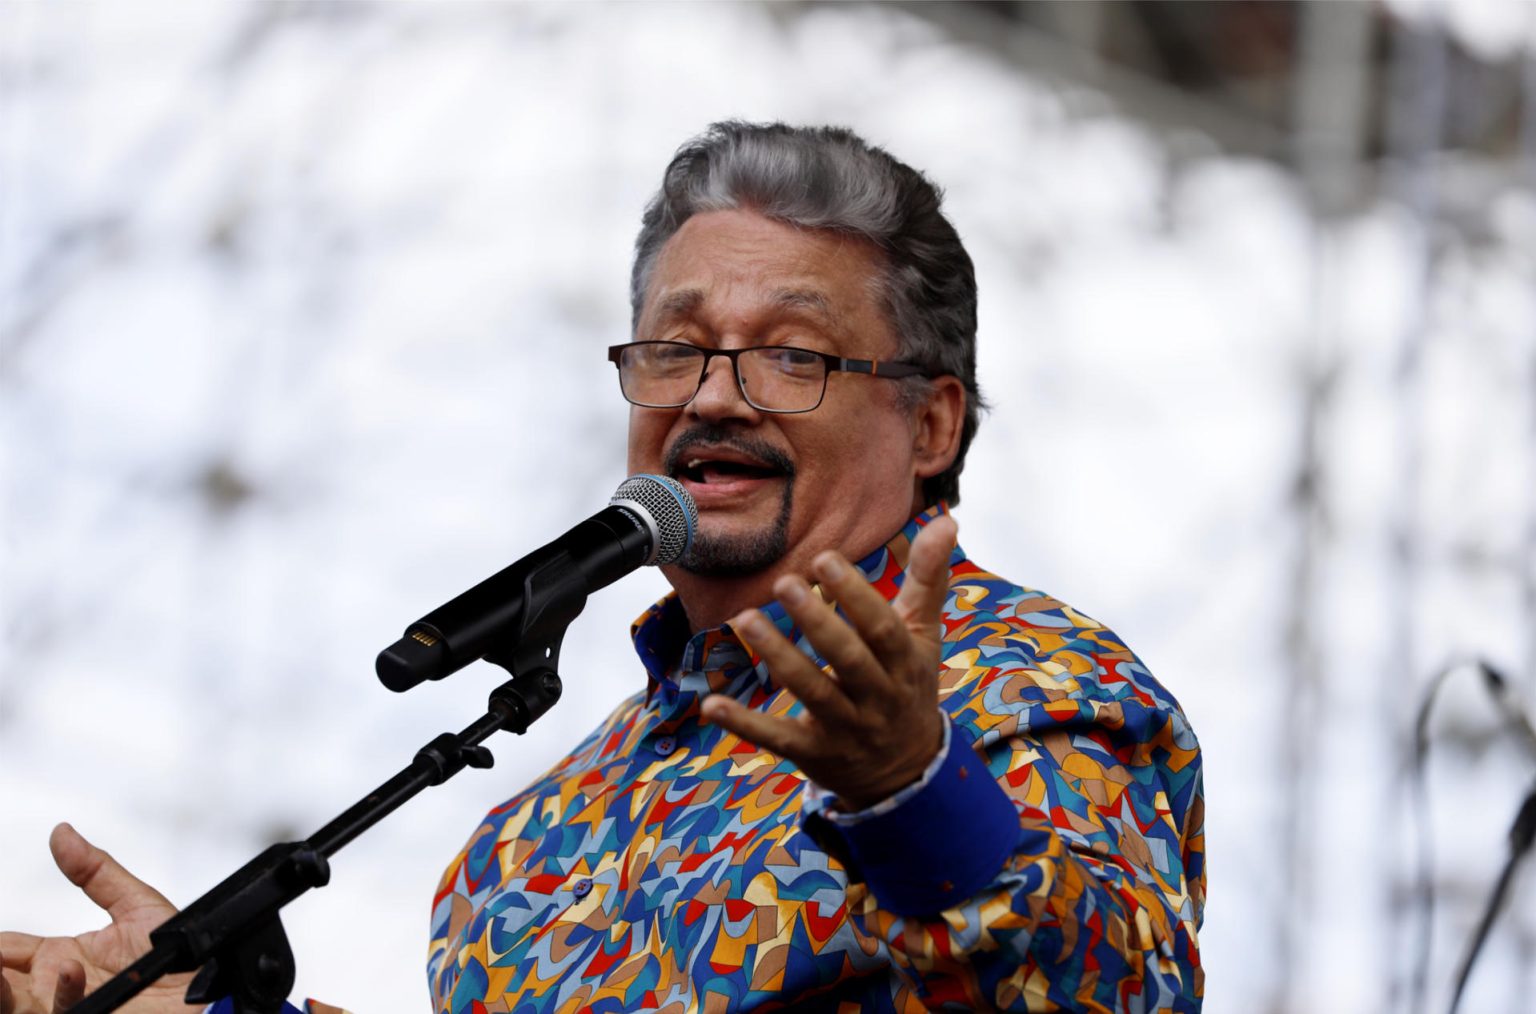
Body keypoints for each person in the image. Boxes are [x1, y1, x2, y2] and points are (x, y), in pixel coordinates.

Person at [2, 122, 1204, 1014]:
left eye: (792, 355)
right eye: (676, 348)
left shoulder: (1035, 689)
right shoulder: (527, 840)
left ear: (932, 425)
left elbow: (1113, 993)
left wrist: (912, 790)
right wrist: (197, 1008)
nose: (714, 396)